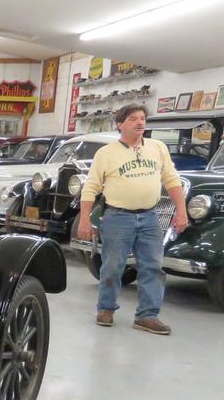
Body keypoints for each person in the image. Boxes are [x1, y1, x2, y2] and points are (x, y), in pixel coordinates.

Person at [77, 104, 188, 334]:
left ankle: (147, 316)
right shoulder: (106, 154)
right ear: (120, 124)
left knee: (153, 267)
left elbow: (172, 180)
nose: (140, 123)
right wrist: (84, 220)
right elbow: (91, 188)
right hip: (118, 217)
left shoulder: (157, 148)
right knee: (112, 266)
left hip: (150, 216)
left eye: (142, 119)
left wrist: (181, 210)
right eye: (133, 119)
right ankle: (106, 309)